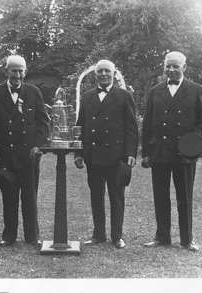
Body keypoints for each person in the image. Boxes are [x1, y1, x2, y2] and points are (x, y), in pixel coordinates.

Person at [141, 51, 202, 252]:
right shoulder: (155, 91)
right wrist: (146, 152)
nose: (171, 70)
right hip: (160, 152)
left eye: (175, 66)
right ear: (164, 67)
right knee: (160, 196)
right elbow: (147, 124)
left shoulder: (196, 89)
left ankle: (187, 239)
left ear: (184, 68)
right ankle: (162, 237)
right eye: (168, 66)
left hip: (184, 154)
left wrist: (192, 142)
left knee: (185, 197)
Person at [0, 55, 49, 248]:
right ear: (7, 72)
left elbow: (43, 124)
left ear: (25, 72)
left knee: (30, 196)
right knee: (9, 197)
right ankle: (9, 235)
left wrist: (38, 146)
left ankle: (32, 236)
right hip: (6, 155)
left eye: (21, 71)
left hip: (29, 156)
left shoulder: (33, 92)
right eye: (14, 70)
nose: (17, 75)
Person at [74, 59, 138, 249]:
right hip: (93, 156)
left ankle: (117, 236)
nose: (103, 74)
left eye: (106, 71)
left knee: (116, 196)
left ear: (113, 74)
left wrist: (130, 153)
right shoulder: (86, 97)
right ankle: (98, 235)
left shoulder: (124, 96)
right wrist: (78, 153)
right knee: (96, 196)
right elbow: (80, 126)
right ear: (95, 75)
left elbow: (131, 128)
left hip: (116, 155)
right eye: (100, 71)